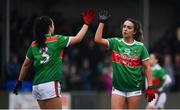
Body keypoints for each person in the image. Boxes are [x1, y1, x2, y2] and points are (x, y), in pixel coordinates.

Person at [13, 9, 94, 109]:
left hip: (37, 85)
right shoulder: (56, 40)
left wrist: (19, 81)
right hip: (50, 84)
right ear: (49, 27)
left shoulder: (33, 44)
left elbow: (26, 64)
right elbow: (78, 38)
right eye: (53, 24)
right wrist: (86, 24)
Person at [94, 10, 155, 109]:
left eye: (129, 27)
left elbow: (147, 67)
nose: (125, 29)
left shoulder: (140, 47)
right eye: (124, 26)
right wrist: (101, 22)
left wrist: (150, 87)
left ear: (134, 32)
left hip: (134, 89)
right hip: (118, 88)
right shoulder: (115, 42)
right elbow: (97, 39)